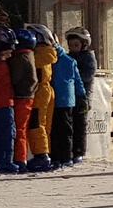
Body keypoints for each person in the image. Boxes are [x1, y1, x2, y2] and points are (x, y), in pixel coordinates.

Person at [47, 26, 85, 167]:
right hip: (67, 100)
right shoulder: (69, 60)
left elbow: (77, 81)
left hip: (59, 100)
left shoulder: (52, 61)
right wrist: (82, 96)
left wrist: (82, 96)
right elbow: (78, 81)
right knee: (65, 130)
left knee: (60, 131)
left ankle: (62, 156)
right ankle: (65, 156)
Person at [23, 25, 59, 172]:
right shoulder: (48, 53)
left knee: (36, 123)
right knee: (44, 124)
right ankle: (45, 153)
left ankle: (41, 155)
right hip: (46, 90)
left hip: (39, 92)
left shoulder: (37, 55)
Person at [0, 27, 22, 172]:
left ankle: (0, 159)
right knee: (7, 134)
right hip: (4, 104)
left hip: (0, 103)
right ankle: (5, 160)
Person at [7, 29, 42, 169]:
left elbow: (15, 77)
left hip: (22, 96)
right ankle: (21, 158)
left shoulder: (21, 58)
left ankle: (20, 159)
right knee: (22, 128)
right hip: (27, 96)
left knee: (20, 129)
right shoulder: (30, 55)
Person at [63, 27, 98, 163]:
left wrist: (72, 77)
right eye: (71, 46)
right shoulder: (68, 57)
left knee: (79, 126)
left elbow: (87, 76)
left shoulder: (89, 57)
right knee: (70, 125)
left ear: (84, 44)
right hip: (70, 96)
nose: (73, 48)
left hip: (82, 97)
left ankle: (79, 151)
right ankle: (69, 150)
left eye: (76, 45)